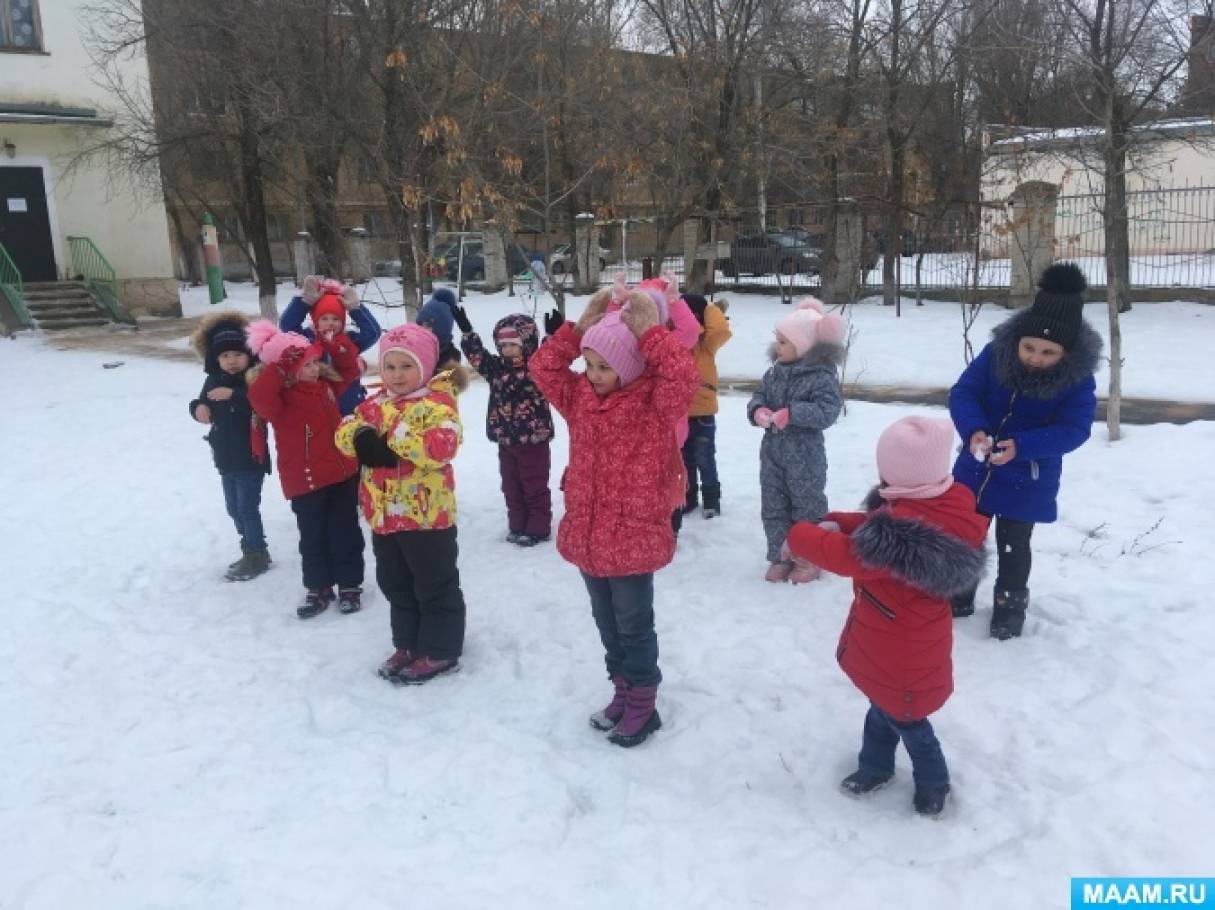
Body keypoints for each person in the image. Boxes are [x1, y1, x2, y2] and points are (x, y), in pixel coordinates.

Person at [784, 416, 989, 817]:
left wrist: (800, 533)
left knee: (911, 725)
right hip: (896, 644)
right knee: (883, 710)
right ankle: (874, 766)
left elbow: (845, 555)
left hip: (903, 654)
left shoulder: (898, 541)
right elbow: (876, 525)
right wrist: (841, 521)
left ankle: (934, 784)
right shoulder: (938, 502)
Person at [529, 289, 698, 748]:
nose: (595, 375)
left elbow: (684, 377)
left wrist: (648, 333)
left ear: (630, 366)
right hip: (588, 533)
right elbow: (542, 367)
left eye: (606, 366)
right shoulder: (579, 397)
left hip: (632, 536)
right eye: (590, 364)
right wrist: (579, 330)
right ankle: (621, 692)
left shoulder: (653, 406)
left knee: (634, 624)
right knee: (606, 623)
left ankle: (643, 705)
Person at [948, 263, 1101, 639]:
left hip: (1027, 478)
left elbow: (1075, 428)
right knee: (964, 533)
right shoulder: (995, 355)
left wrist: (1025, 447)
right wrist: (974, 430)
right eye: (1029, 347)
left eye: (1048, 352)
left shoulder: (1077, 380)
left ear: (1066, 353)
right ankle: (958, 594)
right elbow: (964, 392)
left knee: (1014, 544)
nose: (1035, 357)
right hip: (977, 467)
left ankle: (1009, 609)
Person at [336, 324, 469, 684]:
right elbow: (344, 429)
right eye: (390, 366)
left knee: (433, 583)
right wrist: (362, 436)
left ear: (424, 367)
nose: (396, 376)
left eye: (406, 366)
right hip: (383, 516)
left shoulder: (437, 404)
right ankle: (408, 643)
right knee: (396, 584)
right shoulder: (374, 403)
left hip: (426, 517)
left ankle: (441, 649)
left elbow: (441, 447)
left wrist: (392, 434)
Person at [246, 319, 366, 618]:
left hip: (341, 475)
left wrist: (331, 345)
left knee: (346, 533)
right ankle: (318, 587)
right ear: (285, 369)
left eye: (315, 362)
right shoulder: (278, 401)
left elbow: (350, 369)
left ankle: (350, 585)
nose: (314, 369)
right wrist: (280, 368)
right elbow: (258, 398)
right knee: (313, 538)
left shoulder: (325, 387)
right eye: (306, 364)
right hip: (306, 482)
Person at [747, 298, 845, 583]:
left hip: (806, 456)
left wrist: (794, 414)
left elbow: (828, 411)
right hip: (773, 454)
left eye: (784, 341)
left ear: (802, 346)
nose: (778, 346)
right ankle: (781, 554)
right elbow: (758, 396)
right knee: (774, 504)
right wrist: (758, 411)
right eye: (777, 340)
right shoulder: (774, 371)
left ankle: (808, 557)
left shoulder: (821, 376)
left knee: (807, 506)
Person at [456, 308, 555, 546]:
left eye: (513, 344)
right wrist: (467, 331)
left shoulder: (537, 367)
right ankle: (517, 524)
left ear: (527, 342)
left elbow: (553, 358)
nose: (507, 350)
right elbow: (477, 356)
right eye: (503, 345)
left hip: (533, 440)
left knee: (534, 485)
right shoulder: (496, 368)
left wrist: (552, 336)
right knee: (511, 485)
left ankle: (538, 528)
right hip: (506, 440)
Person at [188, 310, 272, 581]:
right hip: (225, 457)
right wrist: (199, 407)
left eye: (237, 354)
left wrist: (234, 394)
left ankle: (256, 553)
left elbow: (261, 403)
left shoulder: (254, 378)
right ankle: (249, 547)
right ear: (216, 359)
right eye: (225, 356)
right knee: (234, 509)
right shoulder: (214, 379)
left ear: (248, 354)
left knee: (248, 508)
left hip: (250, 456)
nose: (232, 361)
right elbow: (200, 401)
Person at [279, 276, 382, 416]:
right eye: (324, 318)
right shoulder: (308, 340)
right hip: (319, 409)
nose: (330, 323)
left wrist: (355, 308)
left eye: (336, 319)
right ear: (316, 321)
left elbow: (373, 333)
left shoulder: (349, 340)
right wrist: (305, 302)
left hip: (350, 407)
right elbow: (287, 326)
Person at [679, 294, 732, 518]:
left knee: (705, 459)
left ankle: (711, 500)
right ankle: (688, 499)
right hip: (679, 416)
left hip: (702, 415)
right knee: (685, 461)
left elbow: (720, 331)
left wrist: (711, 308)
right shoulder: (676, 341)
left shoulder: (706, 344)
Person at [416, 287, 464, 373]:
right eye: (420, 324)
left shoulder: (450, 357)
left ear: (442, 328)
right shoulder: (413, 348)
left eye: (428, 325)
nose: (422, 329)